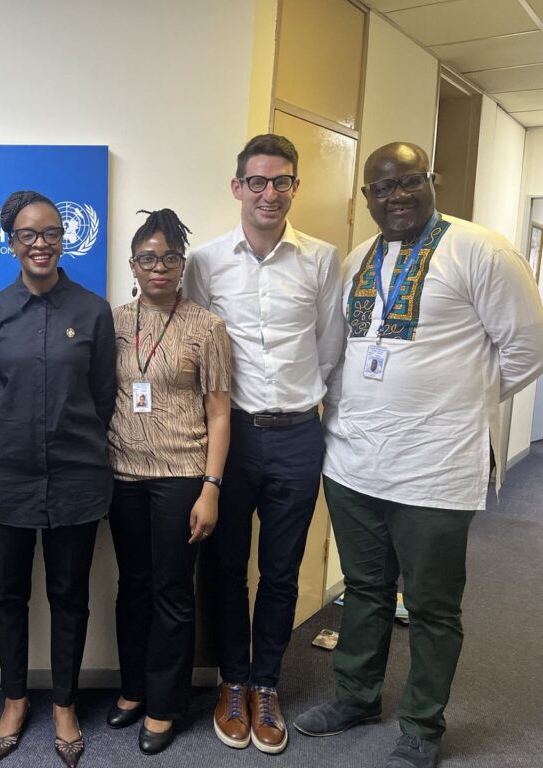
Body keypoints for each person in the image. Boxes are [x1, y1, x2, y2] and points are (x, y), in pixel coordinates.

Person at [294, 142, 543, 768]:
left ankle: (423, 725)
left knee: (432, 605)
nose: (396, 195)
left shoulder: (479, 249)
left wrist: (461, 405)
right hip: (353, 461)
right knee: (367, 589)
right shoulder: (359, 259)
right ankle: (355, 695)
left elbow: (526, 347)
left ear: (430, 181)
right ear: (367, 198)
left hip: (436, 466)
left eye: (409, 182)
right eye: (382, 187)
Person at [182, 134, 346, 754]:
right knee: (226, 569)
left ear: (295, 187)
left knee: (281, 571)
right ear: (237, 188)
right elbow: (194, 346)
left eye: (281, 182)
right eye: (257, 182)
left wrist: (308, 405)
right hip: (233, 439)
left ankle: (267, 684)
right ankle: (233, 682)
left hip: (300, 436)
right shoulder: (204, 261)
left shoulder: (322, 260)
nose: (269, 193)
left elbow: (331, 349)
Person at [0, 190, 117, 768]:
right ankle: (13, 700)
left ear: (64, 239)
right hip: (4, 480)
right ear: (11, 243)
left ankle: (63, 704)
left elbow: (103, 396)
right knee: (8, 595)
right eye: (28, 235)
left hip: (78, 478)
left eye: (51, 232)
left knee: (70, 597)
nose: (41, 243)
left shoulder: (93, 311)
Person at [105, 209, 231, 755]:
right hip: (122, 475)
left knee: (172, 592)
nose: (159, 267)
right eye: (148, 258)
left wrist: (212, 487)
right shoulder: (111, 322)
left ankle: (165, 704)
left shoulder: (207, 326)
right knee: (132, 586)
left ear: (183, 264)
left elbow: (220, 413)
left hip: (182, 475)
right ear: (133, 265)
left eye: (170, 257)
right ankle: (133, 688)